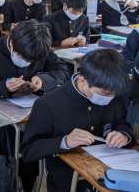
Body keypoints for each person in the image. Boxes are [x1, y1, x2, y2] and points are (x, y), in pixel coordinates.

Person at [0, 20, 70, 191]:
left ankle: (31, 182)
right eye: (23, 57)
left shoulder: (40, 48)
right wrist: (3, 87)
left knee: (48, 134)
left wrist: (43, 80)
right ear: (12, 43)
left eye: (31, 60)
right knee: (19, 141)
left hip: (31, 113)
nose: (27, 62)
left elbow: (63, 71)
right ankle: (9, 179)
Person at [22, 49, 134, 192]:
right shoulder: (49, 104)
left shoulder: (115, 94)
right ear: (82, 80)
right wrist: (65, 141)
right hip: (68, 179)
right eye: (104, 94)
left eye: (113, 94)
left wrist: (123, 135)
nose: (110, 98)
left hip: (112, 173)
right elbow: (29, 151)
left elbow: (122, 123)